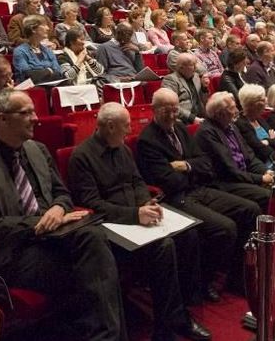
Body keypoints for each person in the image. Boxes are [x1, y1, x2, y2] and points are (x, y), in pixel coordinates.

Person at [0, 90, 125, 341]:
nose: (36, 118)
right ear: (2, 119)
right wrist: (38, 223)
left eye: (34, 111)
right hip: (17, 250)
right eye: (26, 113)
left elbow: (62, 194)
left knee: (95, 238)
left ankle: (104, 336)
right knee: (95, 270)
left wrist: (58, 209)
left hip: (56, 236)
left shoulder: (38, 149)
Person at [67, 103, 213, 340]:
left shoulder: (123, 149)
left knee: (189, 234)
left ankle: (183, 312)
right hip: (110, 227)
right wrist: (135, 214)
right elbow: (92, 204)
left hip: (137, 218)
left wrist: (147, 202)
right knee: (164, 246)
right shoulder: (81, 156)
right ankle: (166, 328)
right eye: (125, 126)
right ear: (110, 126)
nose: (129, 131)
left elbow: (137, 182)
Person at [136, 88, 257, 297]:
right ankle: (204, 281)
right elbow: (168, 181)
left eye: (176, 109)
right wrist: (194, 169)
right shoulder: (147, 140)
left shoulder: (181, 129)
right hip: (176, 198)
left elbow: (205, 163)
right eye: (167, 110)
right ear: (154, 110)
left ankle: (236, 277)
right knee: (225, 228)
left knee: (250, 210)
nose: (173, 115)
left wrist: (186, 166)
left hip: (199, 188)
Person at [194, 92, 275, 264]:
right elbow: (229, 169)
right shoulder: (207, 132)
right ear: (220, 113)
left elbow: (249, 157)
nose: (237, 110)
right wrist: (260, 179)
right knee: (268, 196)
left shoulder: (232, 127)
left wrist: (266, 173)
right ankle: (265, 251)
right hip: (224, 182)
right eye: (232, 108)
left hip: (242, 175)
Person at [11, 16, 63, 84]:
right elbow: (28, 75)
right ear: (33, 29)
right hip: (30, 89)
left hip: (51, 86)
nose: (48, 28)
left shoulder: (48, 51)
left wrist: (40, 73)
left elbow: (58, 72)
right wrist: (49, 70)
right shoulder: (20, 51)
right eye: (44, 25)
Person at [161, 53, 208, 124]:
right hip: (182, 120)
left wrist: (204, 88)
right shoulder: (170, 80)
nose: (196, 68)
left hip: (200, 117)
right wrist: (192, 118)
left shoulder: (196, 77)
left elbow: (203, 101)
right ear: (181, 67)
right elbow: (171, 106)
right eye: (192, 65)